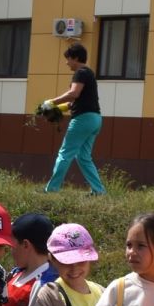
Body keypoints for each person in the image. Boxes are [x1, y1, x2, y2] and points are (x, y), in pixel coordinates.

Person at [43, 42, 104, 195]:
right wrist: (60, 107)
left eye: (68, 58)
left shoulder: (80, 72)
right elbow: (74, 102)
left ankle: (51, 189)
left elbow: (74, 93)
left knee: (65, 153)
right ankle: (98, 191)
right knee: (83, 156)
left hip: (83, 120)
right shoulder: (88, 73)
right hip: (95, 119)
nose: (66, 62)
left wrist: (51, 102)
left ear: (76, 58)